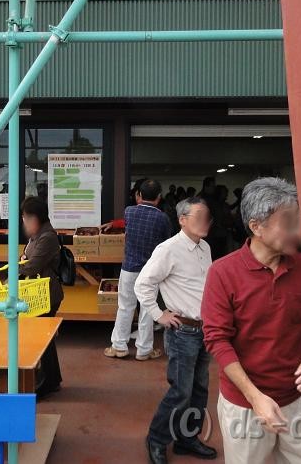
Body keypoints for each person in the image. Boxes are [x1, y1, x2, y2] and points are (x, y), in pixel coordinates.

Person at [201, 178, 301, 464]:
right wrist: (255, 398)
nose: (298, 230)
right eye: (289, 223)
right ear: (256, 226)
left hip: (298, 398)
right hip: (245, 404)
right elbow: (217, 340)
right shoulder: (223, 273)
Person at [135, 197, 217, 464]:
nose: (205, 222)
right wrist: (159, 314)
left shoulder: (204, 247)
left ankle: (187, 438)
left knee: (199, 389)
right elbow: (143, 284)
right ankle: (157, 439)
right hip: (183, 332)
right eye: (198, 216)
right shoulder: (168, 249)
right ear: (182, 220)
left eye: (207, 217)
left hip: (204, 330)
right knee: (180, 391)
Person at [105, 179, 171, 361]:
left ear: (139, 195)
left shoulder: (129, 211)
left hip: (129, 269)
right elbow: (167, 244)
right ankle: (144, 350)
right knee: (148, 309)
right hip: (151, 271)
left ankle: (118, 346)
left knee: (125, 307)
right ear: (159, 197)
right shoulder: (163, 218)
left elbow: (126, 225)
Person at [20, 196, 64, 398]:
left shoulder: (47, 236)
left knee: (42, 338)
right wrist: (23, 260)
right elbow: (26, 258)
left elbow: (32, 265)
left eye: (26, 217)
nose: (24, 221)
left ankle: (48, 381)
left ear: (35, 217)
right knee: (44, 339)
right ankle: (51, 379)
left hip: (47, 294)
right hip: (38, 292)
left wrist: (17, 267)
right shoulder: (38, 234)